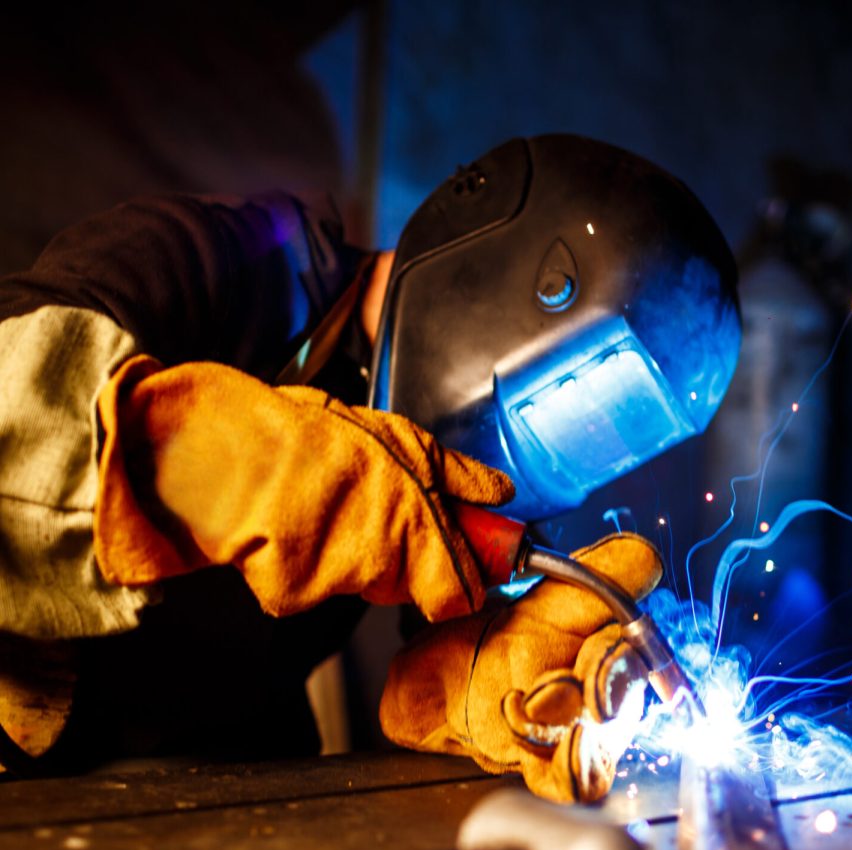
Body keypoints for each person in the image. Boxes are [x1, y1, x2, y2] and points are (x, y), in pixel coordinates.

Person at [0, 135, 741, 801]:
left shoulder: (447, 480)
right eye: (582, 393)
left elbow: (432, 680)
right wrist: (232, 469)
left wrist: (485, 675)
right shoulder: (227, 257)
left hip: (177, 793)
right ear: (517, 277)